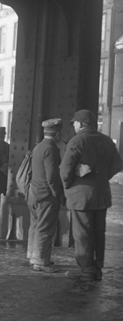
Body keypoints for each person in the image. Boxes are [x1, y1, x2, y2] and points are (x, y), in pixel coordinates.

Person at [60, 109, 123, 281]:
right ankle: (97, 267)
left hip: (81, 196)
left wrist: (68, 185)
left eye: (74, 122)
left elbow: (65, 170)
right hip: (101, 195)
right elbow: (118, 164)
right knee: (98, 231)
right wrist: (102, 176)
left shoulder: (77, 140)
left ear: (80, 123)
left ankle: (86, 269)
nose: (73, 125)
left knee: (82, 233)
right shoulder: (106, 140)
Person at [26, 119, 64, 273]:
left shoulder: (39, 146)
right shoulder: (51, 149)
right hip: (46, 196)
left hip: (34, 193)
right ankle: (41, 262)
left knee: (35, 225)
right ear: (58, 133)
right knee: (45, 228)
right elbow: (52, 176)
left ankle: (32, 255)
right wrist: (58, 194)